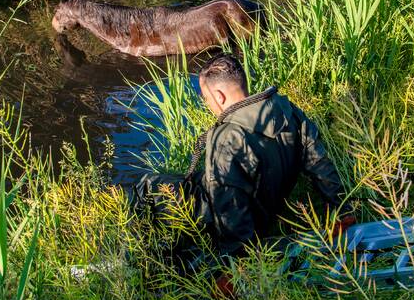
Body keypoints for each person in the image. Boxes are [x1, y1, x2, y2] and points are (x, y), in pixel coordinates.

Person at [133, 53, 350, 263]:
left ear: (219, 96)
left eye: (206, 98)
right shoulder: (285, 109)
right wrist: (343, 210)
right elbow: (319, 163)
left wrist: (234, 263)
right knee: (189, 180)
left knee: (146, 188)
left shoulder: (227, 137)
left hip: (239, 218)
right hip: (267, 203)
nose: (207, 104)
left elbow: (229, 207)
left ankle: (145, 264)